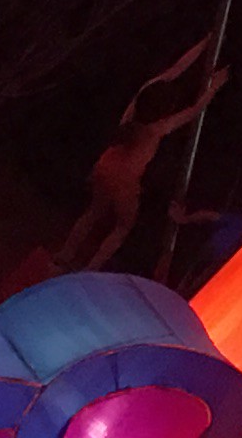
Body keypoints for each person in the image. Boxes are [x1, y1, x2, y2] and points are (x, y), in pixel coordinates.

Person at [52, 39, 229, 274]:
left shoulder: (139, 101)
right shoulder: (157, 129)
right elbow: (194, 109)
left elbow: (175, 69)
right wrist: (214, 87)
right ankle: (90, 269)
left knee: (92, 212)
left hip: (106, 165)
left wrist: (205, 42)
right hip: (125, 183)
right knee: (122, 227)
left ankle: (65, 255)